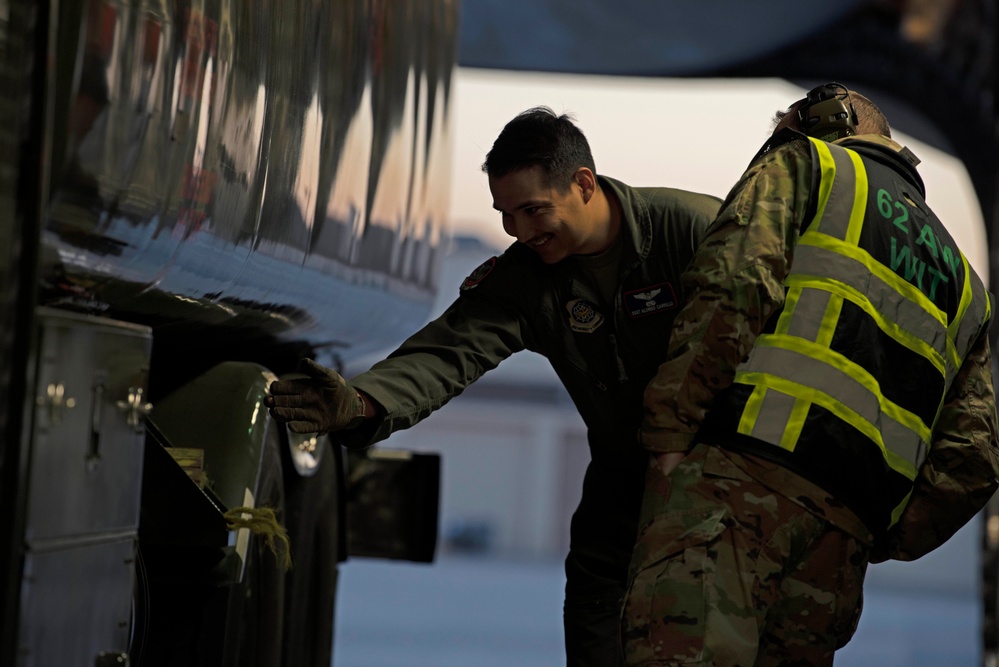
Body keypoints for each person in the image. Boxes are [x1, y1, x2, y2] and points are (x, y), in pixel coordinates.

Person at [266, 106, 721, 666]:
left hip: (725, 474)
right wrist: (362, 402)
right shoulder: (526, 277)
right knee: (596, 615)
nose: (519, 232)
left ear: (583, 184)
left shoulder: (696, 231)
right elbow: (449, 350)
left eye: (533, 210)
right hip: (624, 478)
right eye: (506, 215)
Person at [621, 83, 999, 666]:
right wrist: (883, 533)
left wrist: (669, 434)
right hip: (842, 536)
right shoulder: (967, 284)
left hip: (734, 486)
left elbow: (734, 287)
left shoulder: (809, 166)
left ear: (816, 124)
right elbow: (974, 461)